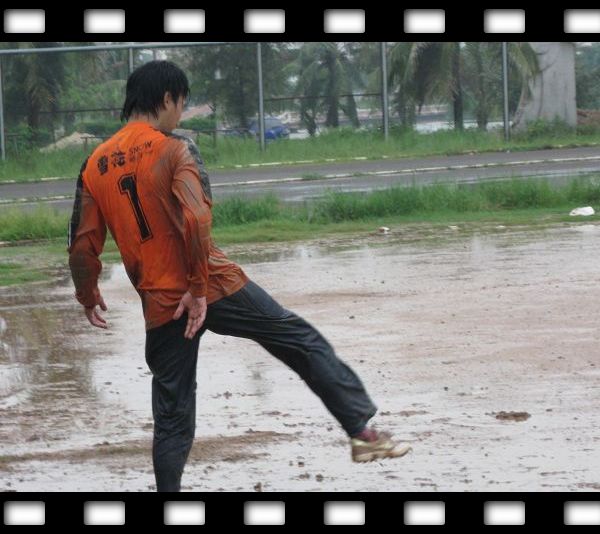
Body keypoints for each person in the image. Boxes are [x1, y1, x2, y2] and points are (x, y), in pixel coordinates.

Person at [68, 60, 412, 492]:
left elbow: (82, 246)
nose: (180, 114)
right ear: (168, 98)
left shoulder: (94, 164)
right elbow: (196, 219)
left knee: (172, 415)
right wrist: (197, 289)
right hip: (212, 285)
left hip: (160, 302)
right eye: (181, 105)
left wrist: (87, 294)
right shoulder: (175, 148)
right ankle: (362, 434)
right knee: (298, 341)